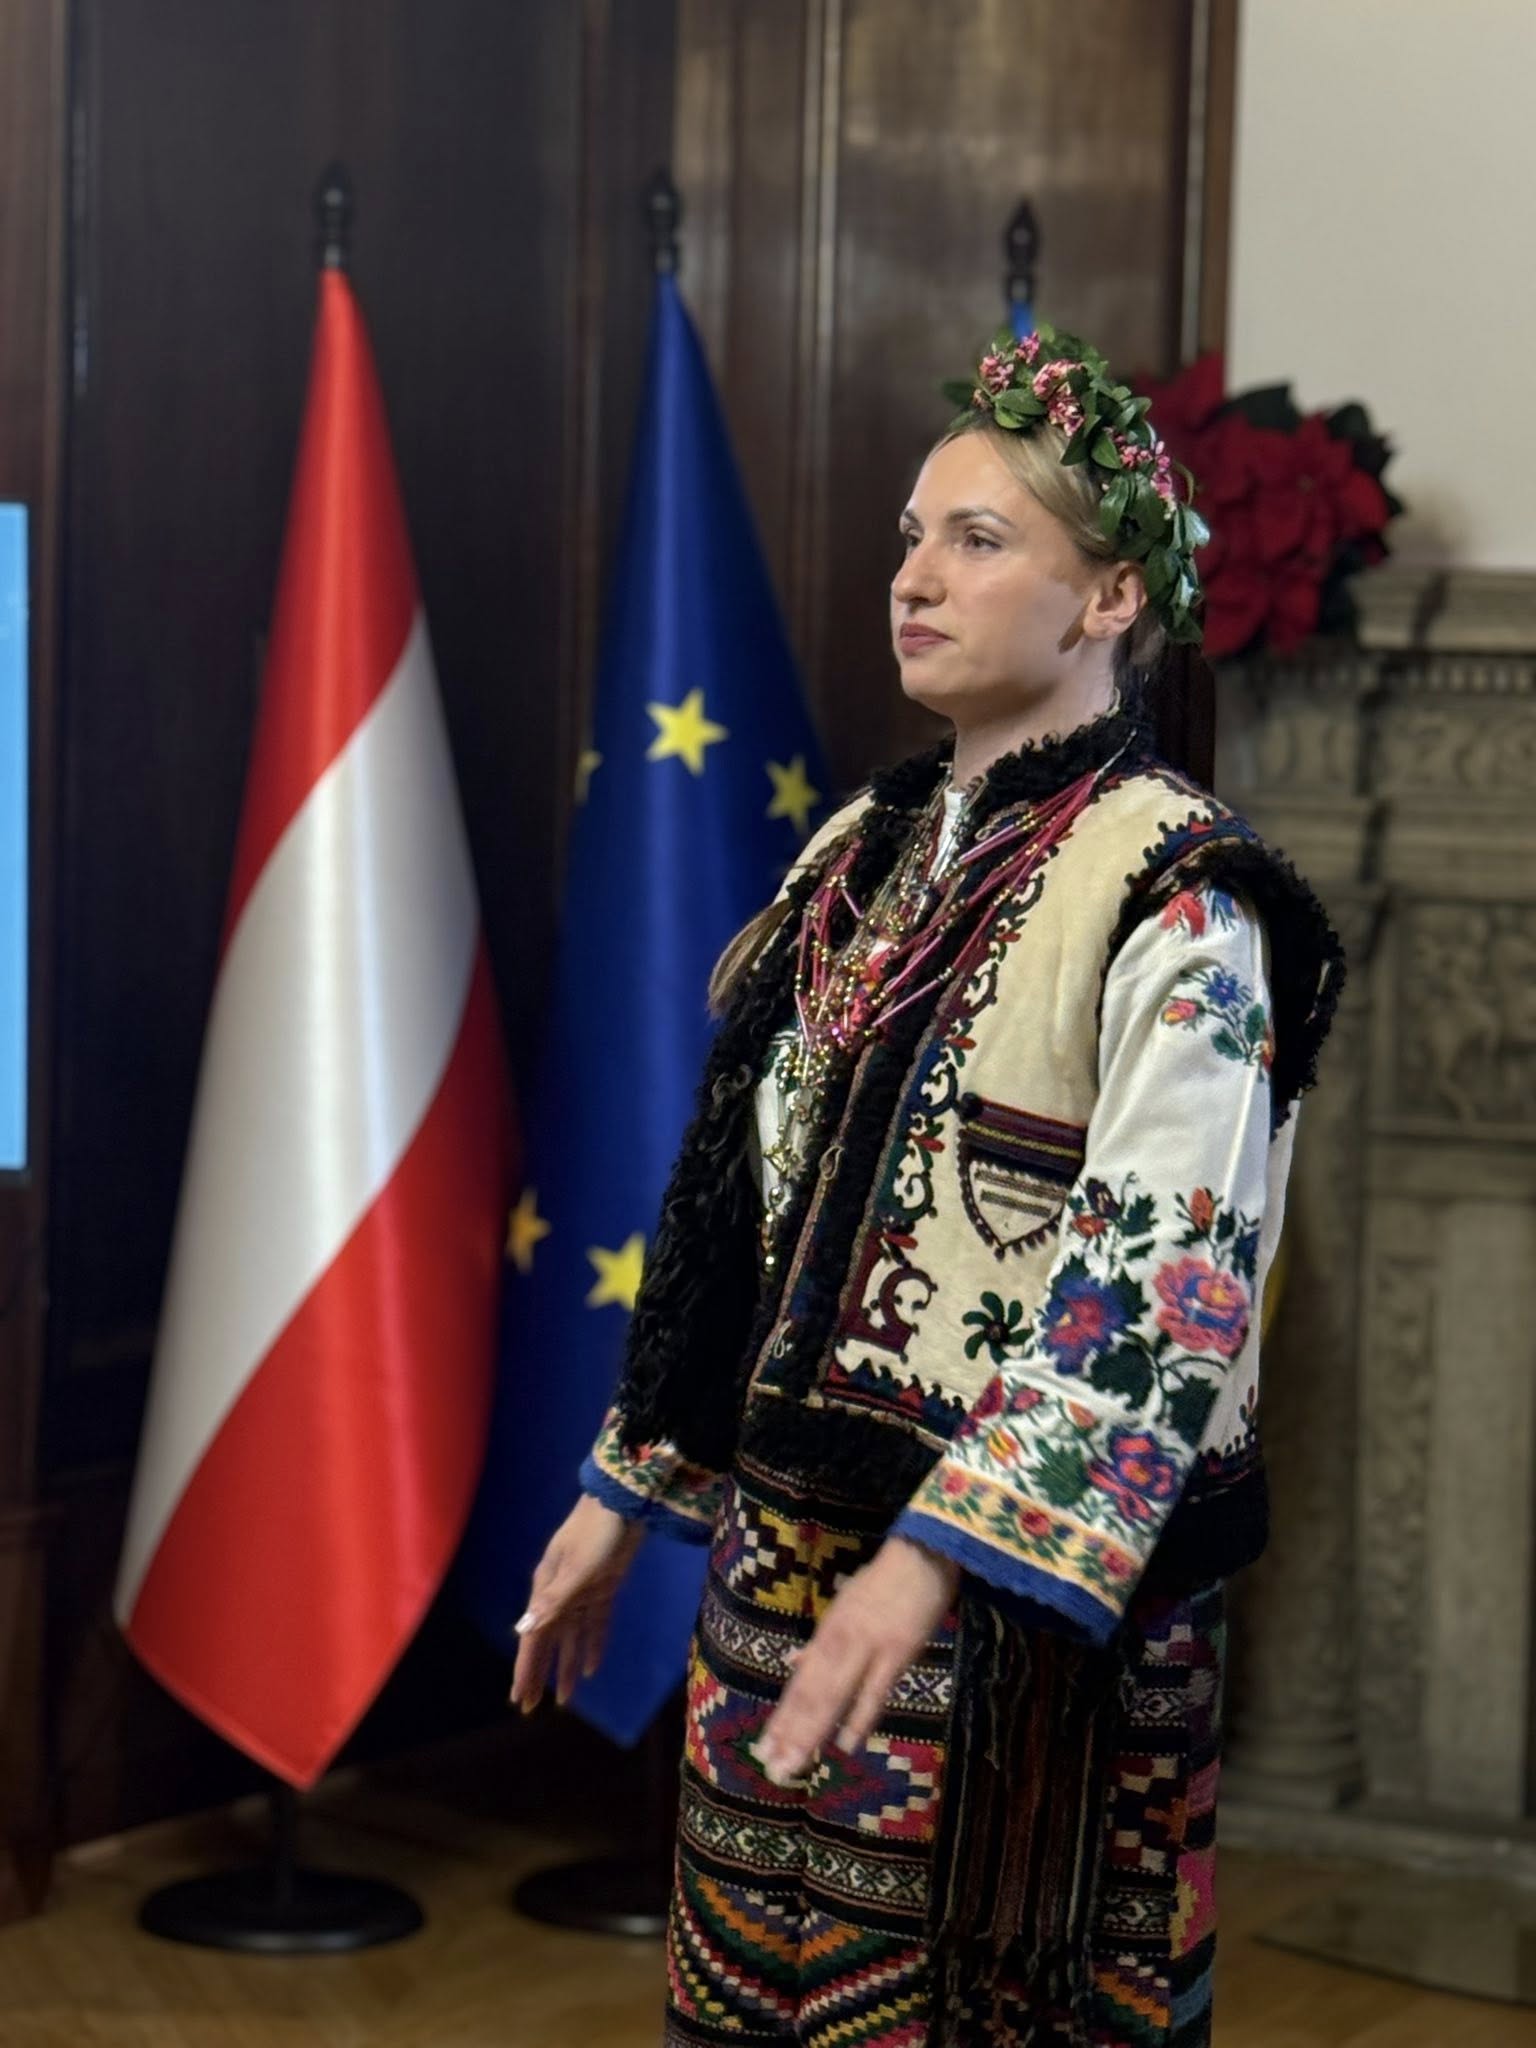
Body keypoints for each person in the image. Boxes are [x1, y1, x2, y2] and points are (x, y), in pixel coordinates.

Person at [511, 322, 1343, 2048]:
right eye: (912, 535)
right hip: (776, 1586)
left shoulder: (1183, 895)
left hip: (1025, 1635)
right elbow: (741, 1221)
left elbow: (1167, 1280)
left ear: (1109, 594)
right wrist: (630, 1482)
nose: (914, 578)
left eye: (977, 540)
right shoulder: (854, 854)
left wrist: (937, 1560)